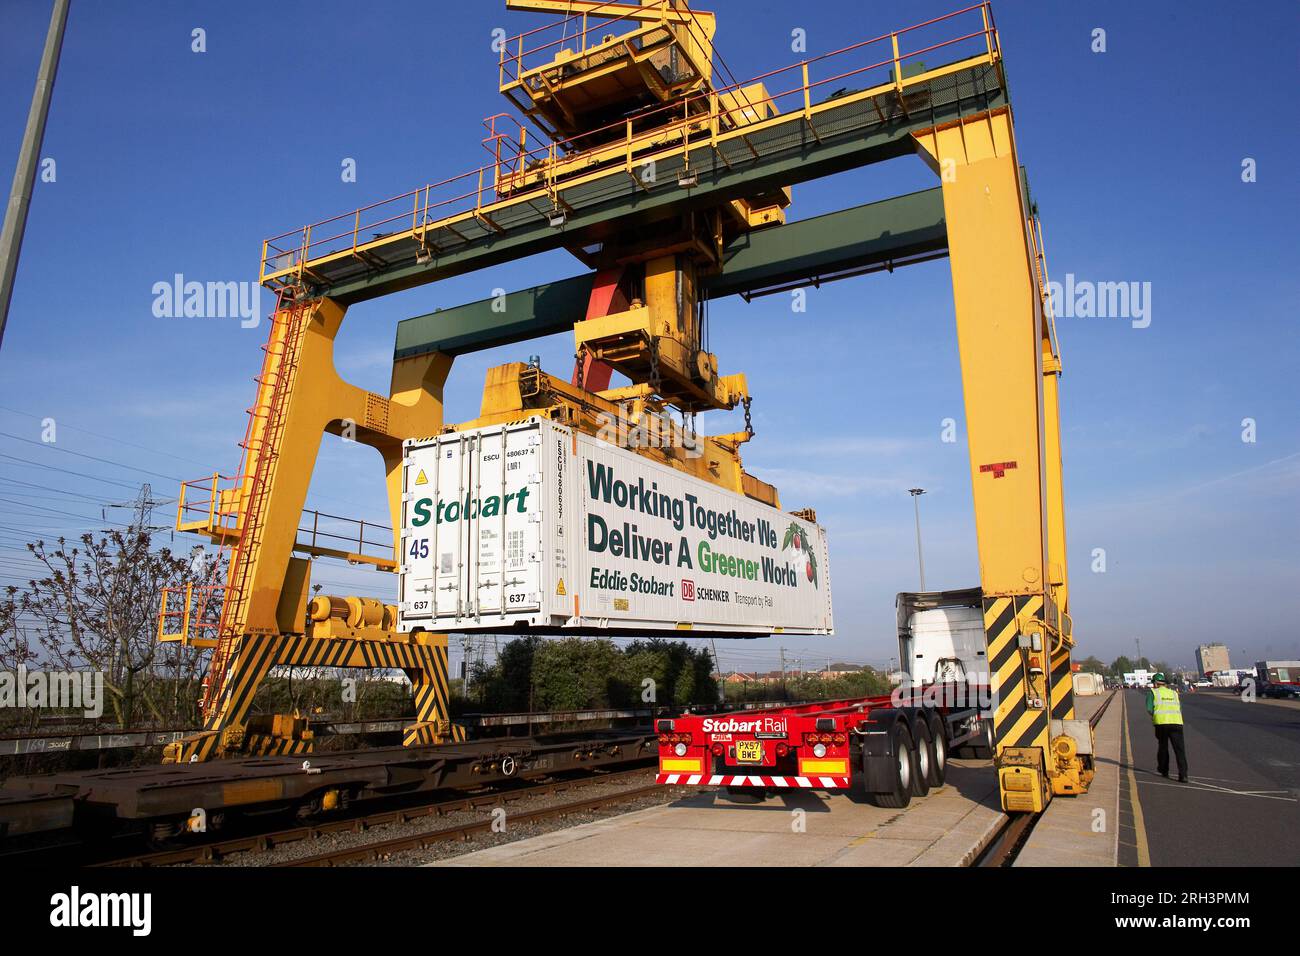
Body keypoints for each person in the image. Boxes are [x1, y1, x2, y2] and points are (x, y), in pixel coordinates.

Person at [1146, 673, 1188, 782]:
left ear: (1155, 683)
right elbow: (1180, 708)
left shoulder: (1152, 693)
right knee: (1180, 750)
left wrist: (1155, 716)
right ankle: (1183, 775)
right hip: (1177, 723)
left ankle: (1164, 770)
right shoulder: (1174, 693)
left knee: (1163, 747)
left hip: (1161, 723)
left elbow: (1150, 709)